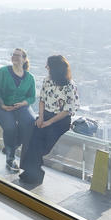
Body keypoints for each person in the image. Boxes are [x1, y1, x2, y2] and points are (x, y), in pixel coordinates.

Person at [19, 55, 79, 185]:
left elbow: (67, 110)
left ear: (55, 68)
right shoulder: (47, 80)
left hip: (60, 120)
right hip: (45, 115)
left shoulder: (69, 86)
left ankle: (35, 173)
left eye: (48, 65)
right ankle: (31, 171)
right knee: (31, 138)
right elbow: (42, 100)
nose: (46, 67)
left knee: (41, 146)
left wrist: (49, 122)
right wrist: (41, 118)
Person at [0, 48, 36, 172]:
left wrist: (23, 103)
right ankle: (10, 158)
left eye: (18, 55)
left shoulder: (30, 77)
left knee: (31, 122)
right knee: (11, 128)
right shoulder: (3, 71)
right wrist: (2, 105)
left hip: (20, 106)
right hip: (1, 106)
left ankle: (12, 146)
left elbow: (32, 96)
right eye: (13, 55)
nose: (15, 57)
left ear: (24, 59)